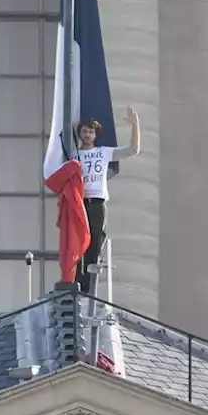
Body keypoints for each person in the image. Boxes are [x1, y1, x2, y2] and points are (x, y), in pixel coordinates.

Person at [74, 106, 141, 294]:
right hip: (78, 203)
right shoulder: (74, 154)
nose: (88, 134)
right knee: (77, 243)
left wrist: (135, 125)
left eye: (91, 131)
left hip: (96, 201)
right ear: (80, 134)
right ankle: (77, 284)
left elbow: (132, 150)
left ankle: (89, 287)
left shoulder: (103, 152)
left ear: (96, 135)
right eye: (85, 131)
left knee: (95, 242)